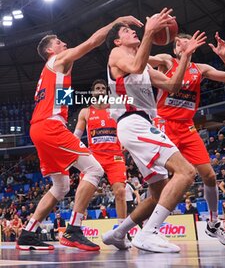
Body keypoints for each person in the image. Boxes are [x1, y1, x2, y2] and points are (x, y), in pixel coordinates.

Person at [16, 15, 142, 251]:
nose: (64, 44)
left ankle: (27, 233)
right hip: (49, 125)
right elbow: (93, 42)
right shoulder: (58, 58)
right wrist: (116, 22)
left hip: (41, 127)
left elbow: (61, 102)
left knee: (61, 186)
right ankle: (74, 230)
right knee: (94, 169)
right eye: (60, 42)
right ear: (51, 49)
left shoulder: (54, 73)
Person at [102, 8, 206, 253]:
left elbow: (173, 85)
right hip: (133, 122)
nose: (134, 32)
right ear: (118, 40)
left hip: (140, 125)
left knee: (158, 193)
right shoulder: (117, 53)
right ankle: (148, 233)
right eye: (127, 31)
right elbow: (136, 67)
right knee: (186, 172)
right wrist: (149, 32)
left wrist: (186, 58)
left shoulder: (144, 64)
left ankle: (119, 233)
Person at [152, 32, 225, 246]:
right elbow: (139, 61)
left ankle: (213, 223)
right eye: (178, 42)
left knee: (210, 176)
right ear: (175, 50)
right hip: (164, 124)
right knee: (160, 180)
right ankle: (151, 227)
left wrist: (224, 57)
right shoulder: (167, 60)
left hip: (187, 127)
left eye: (184, 39)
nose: (181, 42)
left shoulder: (200, 69)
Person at [74, 79, 128, 234]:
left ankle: (122, 231)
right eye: (97, 88)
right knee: (83, 193)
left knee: (120, 192)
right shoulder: (85, 112)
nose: (100, 90)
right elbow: (76, 136)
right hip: (94, 158)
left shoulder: (116, 108)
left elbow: (126, 125)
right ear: (92, 92)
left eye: (103, 88)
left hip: (114, 157)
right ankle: (75, 227)